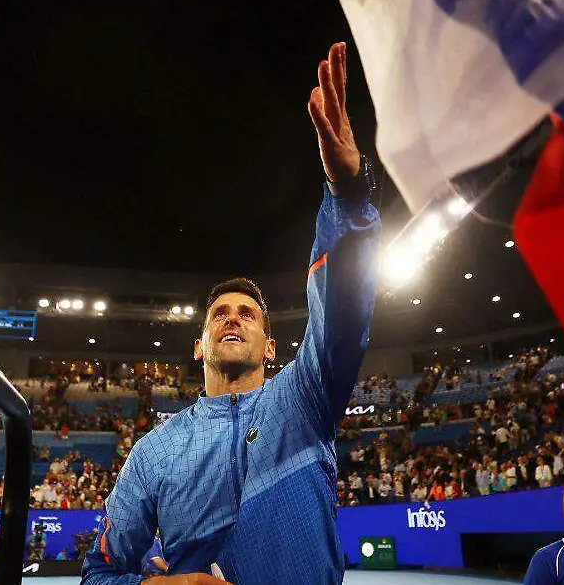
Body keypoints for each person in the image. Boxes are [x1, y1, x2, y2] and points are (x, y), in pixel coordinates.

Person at [82, 42, 380, 585]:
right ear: (199, 345)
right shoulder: (153, 453)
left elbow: (342, 311)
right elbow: (99, 574)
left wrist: (349, 192)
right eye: (220, 314)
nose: (232, 319)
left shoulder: (304, 401)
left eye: (248, 313)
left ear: (271, 347)